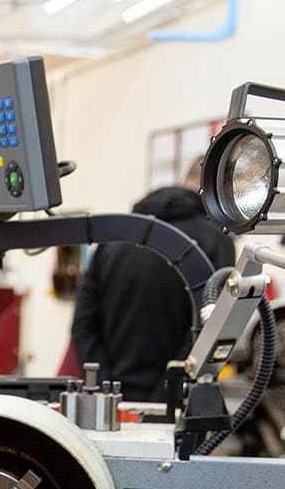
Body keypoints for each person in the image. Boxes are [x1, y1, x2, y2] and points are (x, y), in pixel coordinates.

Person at [71, 162, 236, 401]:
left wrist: (105, 387)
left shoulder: (117, 236)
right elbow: (212, 327)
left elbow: (83, 323)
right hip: (174, 405)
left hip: (110, 403)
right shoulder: (216, 240)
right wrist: (167, 396)